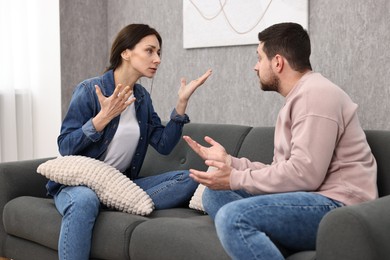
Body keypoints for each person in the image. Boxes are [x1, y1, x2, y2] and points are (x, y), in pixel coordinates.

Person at [183, 22, 377, 260]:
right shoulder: (298, 98)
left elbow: (305, 174)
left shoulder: (317, 95)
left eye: (259, 58)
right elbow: (282, 173)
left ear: (277, 62)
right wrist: (231, 162)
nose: (255, 67)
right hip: (309, 197)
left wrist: (235, 178)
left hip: (338, 207)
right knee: (213, 194)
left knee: (232, 217)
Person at [46, 23, 212, 259]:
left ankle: (112, 202)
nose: (157, 59)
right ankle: (105, 202)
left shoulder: (142, 98)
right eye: (149, 51)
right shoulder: (89, 90)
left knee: (188, 178)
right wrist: (101, 119)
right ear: (126, 52)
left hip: (119, 185)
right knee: (84, 200)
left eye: (158, 53)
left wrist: (181, 105)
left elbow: (163, 145)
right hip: (79, 186)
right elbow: (65, 146)